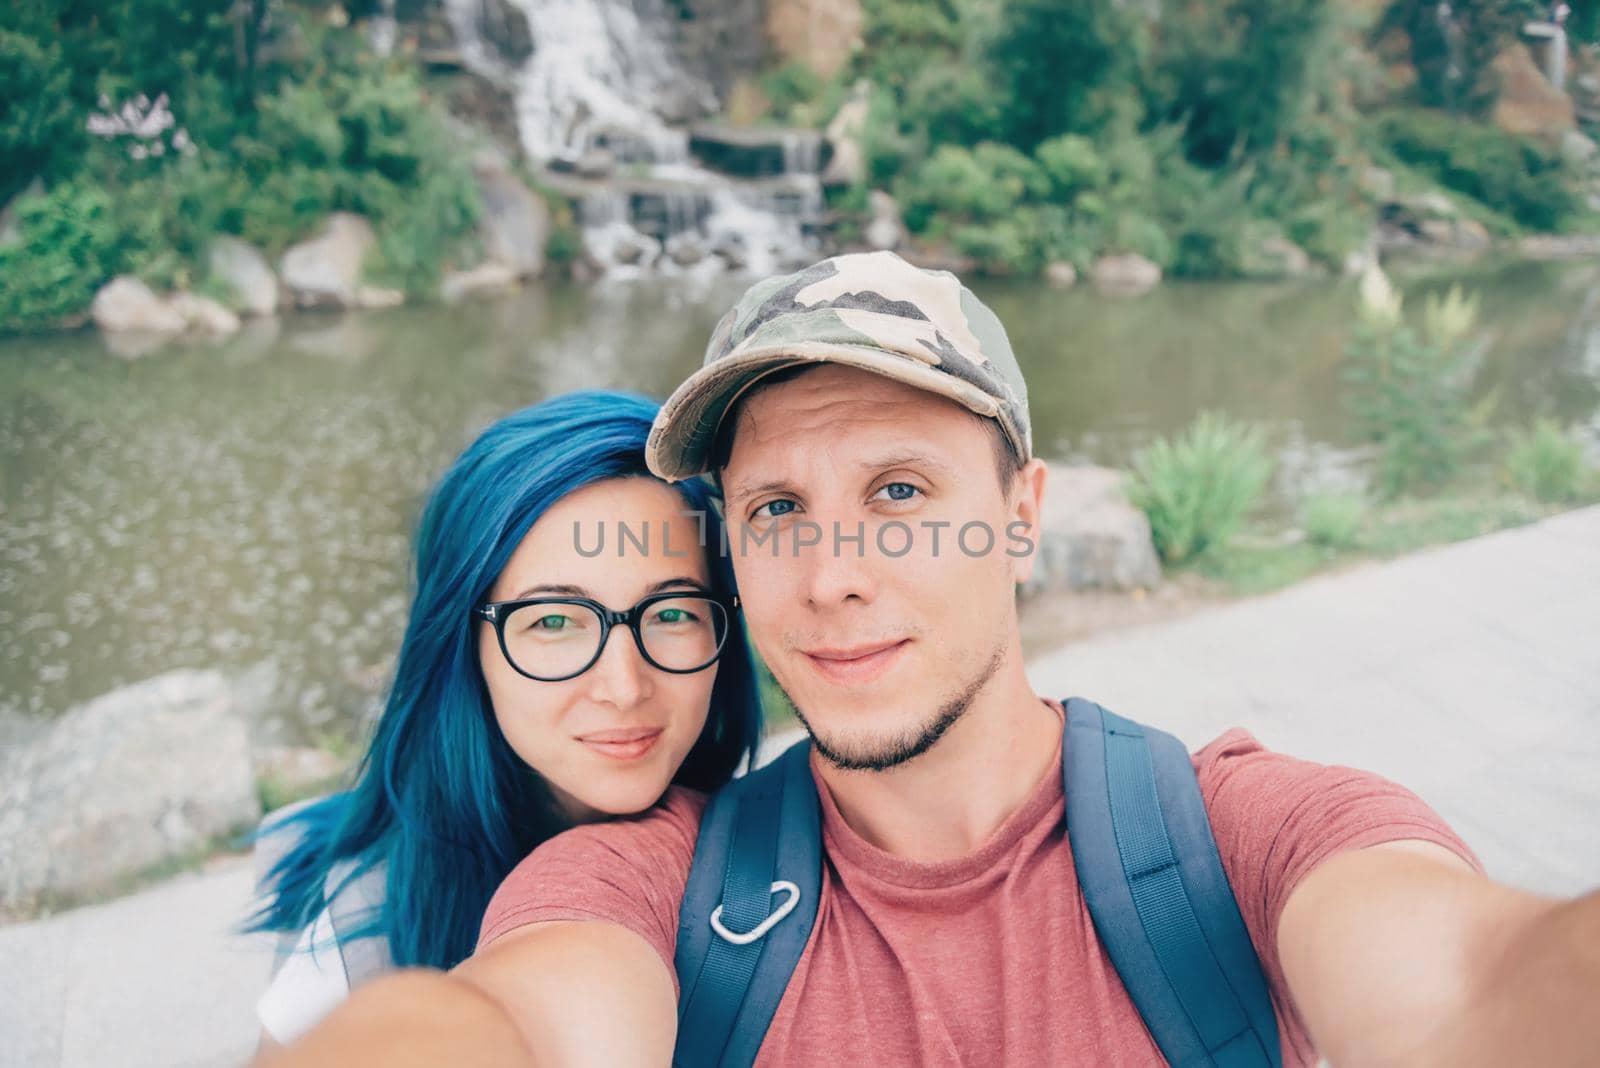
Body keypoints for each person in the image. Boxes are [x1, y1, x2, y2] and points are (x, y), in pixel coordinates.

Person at [258, 253, 1600, 1067]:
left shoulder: (1234, 833)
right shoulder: (646, 879)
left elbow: (1466, 991)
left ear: (1023, 513)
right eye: (778, 510)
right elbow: (522, 1023)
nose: (834, 574)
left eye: (900, 491)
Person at [246, 390, 761, 1048]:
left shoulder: (787, 852)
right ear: (465, 644)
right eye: (552, 621)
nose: (624, 686)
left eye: (670, 613)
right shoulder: (359, 941)